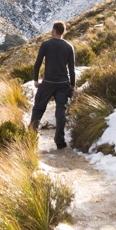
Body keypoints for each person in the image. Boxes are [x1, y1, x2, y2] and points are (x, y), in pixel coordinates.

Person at [29, 21, 76, 150]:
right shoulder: (69, 47)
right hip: (63, 83)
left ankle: (30, 137)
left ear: (54, 30)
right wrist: (72, 85)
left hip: (48, 82)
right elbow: (72, 69)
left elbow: (38, 63)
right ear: (63, 31)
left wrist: (36, 80)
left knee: (38, 108)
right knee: (61, 110)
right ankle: (60, 141)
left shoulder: (46, 44)